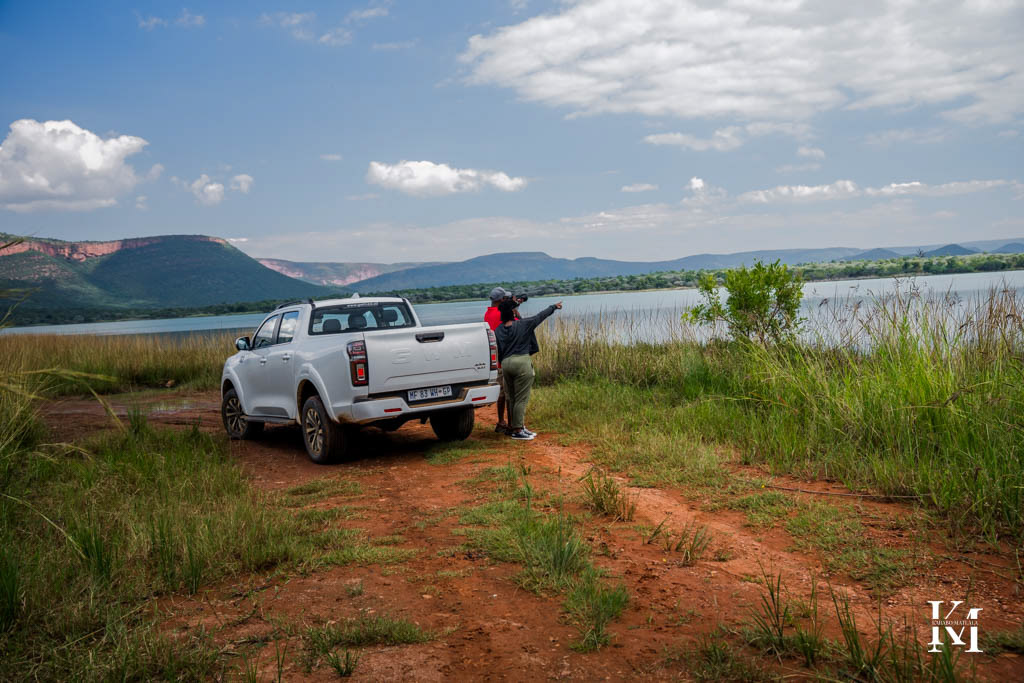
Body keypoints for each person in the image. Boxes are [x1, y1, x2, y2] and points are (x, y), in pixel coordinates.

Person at [494, 297, 562, 440]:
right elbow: (540, 316)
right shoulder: (523, 324)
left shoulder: (498, 330)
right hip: (521, 362)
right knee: (521, 399)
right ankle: (518, 430)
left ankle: (515, 427)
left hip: (505, 364)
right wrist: (553, 307)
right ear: (513, 312)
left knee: (512, 397)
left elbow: (498, 350)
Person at [484, 287, 513, 433]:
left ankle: (501, 421)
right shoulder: (500, 313)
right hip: (505, 358)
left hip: (496, 360)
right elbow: (515, 325)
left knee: (501, 393)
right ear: (502, 300)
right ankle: (510, 424)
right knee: (508, 393)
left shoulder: (488, 314)